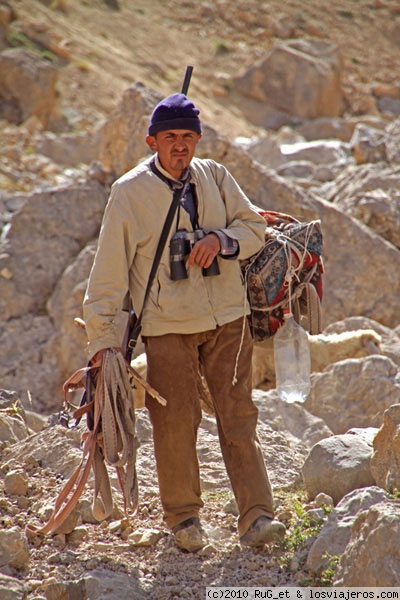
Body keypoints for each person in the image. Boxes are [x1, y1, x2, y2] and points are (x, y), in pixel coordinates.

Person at [83, 92, 285, 551]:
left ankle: (257, 517)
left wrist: (221, 239)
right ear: (151, 141)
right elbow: (109, 273)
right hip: (167, 325)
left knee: (238, 415)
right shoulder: (129, 192)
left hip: (229, 318)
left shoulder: (215, 175)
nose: (180, 145)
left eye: (188, 137)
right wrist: (102, 340)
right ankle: (184, 520)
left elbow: (254, 227)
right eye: (171, 137)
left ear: (198, 140)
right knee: (175, 421)